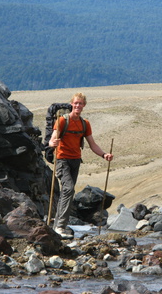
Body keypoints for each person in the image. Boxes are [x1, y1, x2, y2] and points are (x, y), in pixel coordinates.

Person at [48, 92, 113, 239]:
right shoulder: (62, 121)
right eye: (76, 103)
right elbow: (52, 139)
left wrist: (104, 155)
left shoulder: (85, 124)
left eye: (81, 103)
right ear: (72, 104)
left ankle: (58, 225)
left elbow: (92, 144)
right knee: (68, 189)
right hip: (62, 159)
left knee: (67, 192)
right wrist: (52, 144)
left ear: (84, 105)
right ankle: (60, 227)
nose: (78, 106)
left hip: (76, 160)